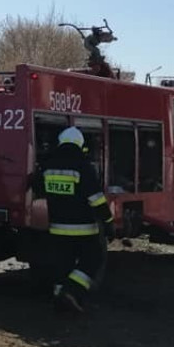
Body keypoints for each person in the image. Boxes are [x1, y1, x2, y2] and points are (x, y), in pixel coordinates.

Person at [33, 126, 115, 313]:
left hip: (56, 228)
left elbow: (37, 188)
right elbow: (96, 199)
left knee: (62, 264)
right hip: (83, 228)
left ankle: (59, 300)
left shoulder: (47, 165)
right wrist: (108, 222)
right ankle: (71, 291)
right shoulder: (83, 166)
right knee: (93, 260)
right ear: (80, 144)